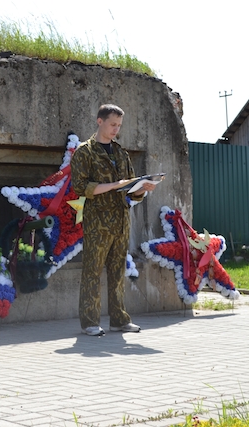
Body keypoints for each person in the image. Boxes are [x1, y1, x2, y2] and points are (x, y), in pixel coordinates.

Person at [70, 104, 157, 336]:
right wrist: (115, 185)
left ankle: (119, 319)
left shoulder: (120, 153)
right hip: (97, 222)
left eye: (119, 125)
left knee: (118, 271)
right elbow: (80, 186)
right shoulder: (84, 152)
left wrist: (142, 189)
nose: (116, 129)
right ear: (100, 121)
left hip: (120, 220)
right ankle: (90, 322)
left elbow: (129, 189)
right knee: (92, 271)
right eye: (112, 124)